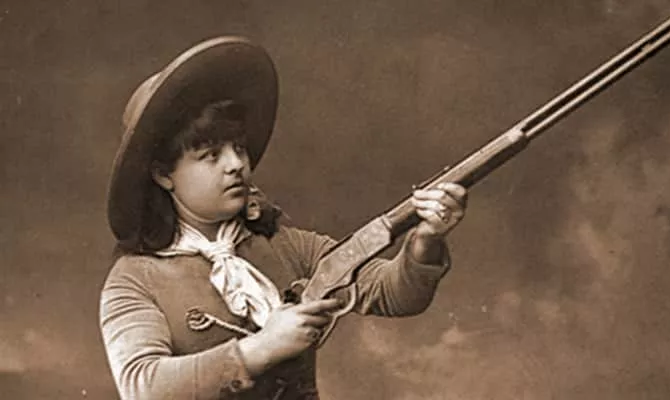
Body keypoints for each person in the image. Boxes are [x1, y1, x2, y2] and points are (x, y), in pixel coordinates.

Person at [100, 36, 468, 400]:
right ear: (163, 174)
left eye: (238, 148)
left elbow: (394, 295)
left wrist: (426, 240)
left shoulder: (288, 246)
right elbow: (143, 386)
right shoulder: (134, 279)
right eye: (211, 155)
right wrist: (262, 348)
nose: (236, 164)